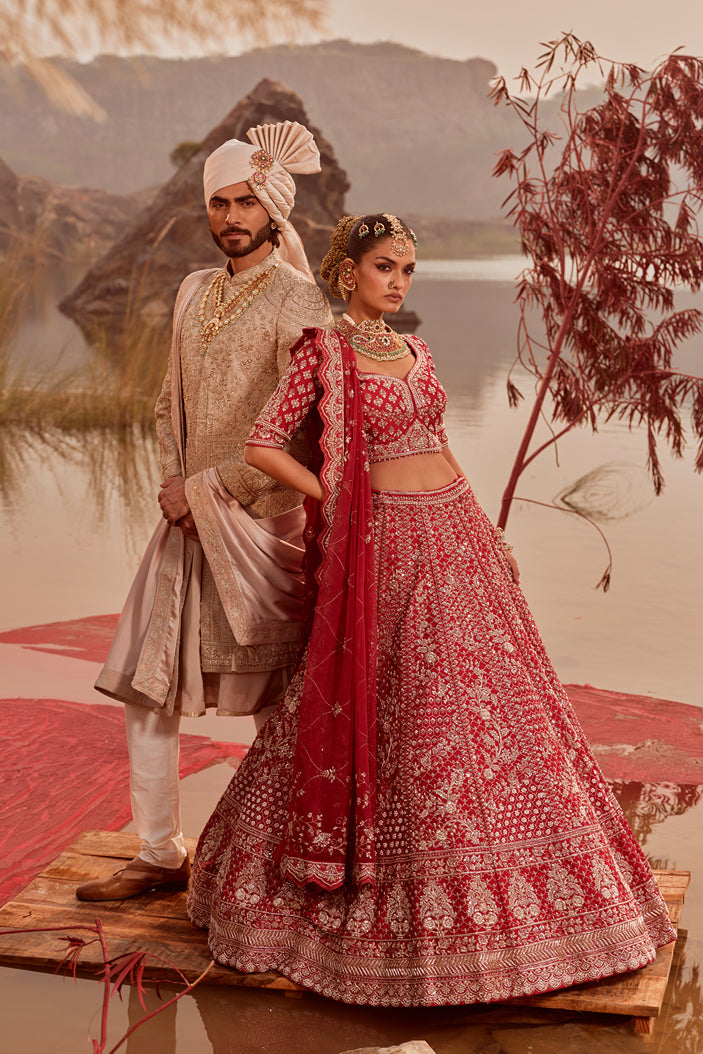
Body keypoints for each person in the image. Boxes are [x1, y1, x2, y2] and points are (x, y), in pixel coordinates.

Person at [186, 213, 676, 1005]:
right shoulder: (324, 352)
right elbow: (263, 446)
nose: (398, 282)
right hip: (379, 547)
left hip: (452, 535)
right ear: (348, 273)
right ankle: (372, 907)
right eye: (385, 267)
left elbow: (439, 441)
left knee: (494, 712)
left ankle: (533, 900)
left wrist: (486, 526)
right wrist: (338, 498)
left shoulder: (416, 349)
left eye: (408, 269)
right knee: (398, 707)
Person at [75, 121, 332, 902]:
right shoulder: (194, 289)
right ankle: (158, 853)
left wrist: (216, 488)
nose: (229, 216)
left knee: (273, 706)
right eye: (218, 202)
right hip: (184, 523)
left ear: (274, 209)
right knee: (145, 690)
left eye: (245, 201)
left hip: (263, 529)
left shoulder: (300, 299)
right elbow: (165, 405)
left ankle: (281, 860)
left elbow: (307, 425)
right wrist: (173, 488)